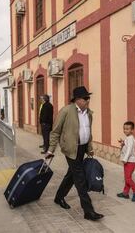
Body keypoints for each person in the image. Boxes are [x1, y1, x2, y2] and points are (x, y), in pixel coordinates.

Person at [46, 86, 104, 221]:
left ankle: (58, 197)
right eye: (85, 98)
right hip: (71, 149)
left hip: (82, 149)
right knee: (80, 179)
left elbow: (88, 133)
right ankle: (88, 211)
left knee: (71, 175)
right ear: (77, 100)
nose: (88, 100)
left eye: (88, 98)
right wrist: (51, 150)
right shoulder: (66, 111)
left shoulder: (88, 113)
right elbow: (55, 132)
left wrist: (89, 148)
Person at [117, 121, 135, 202]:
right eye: (124, 129)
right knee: (127, 178)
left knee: (128, 178)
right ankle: (125, 193)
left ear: (132, 130)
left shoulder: (131, 139)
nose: (125, 130)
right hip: (128, 161)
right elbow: (126, 147)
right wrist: (122, 142)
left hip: (130, 161)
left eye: (127, 129)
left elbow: (129, 150)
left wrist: (125, 159)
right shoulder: (128, 138)